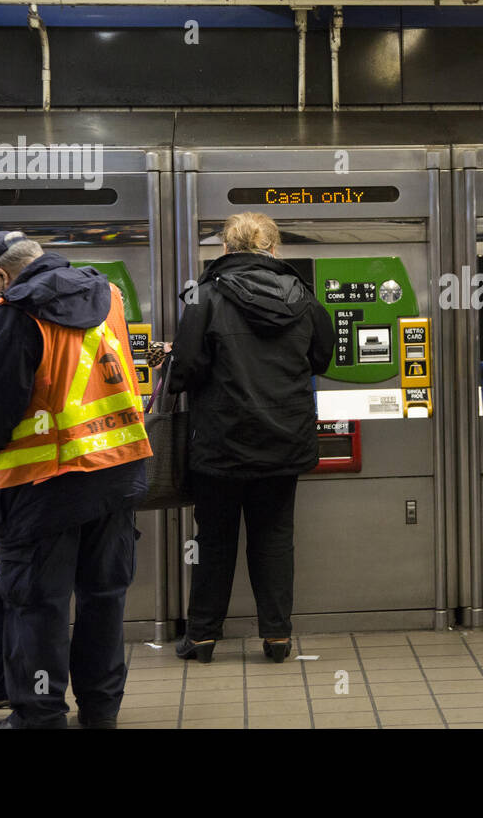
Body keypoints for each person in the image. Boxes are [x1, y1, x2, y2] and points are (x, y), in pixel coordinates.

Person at [0, 230, 149, 728]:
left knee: (38, 607)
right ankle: (102, 711)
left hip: (42, 488)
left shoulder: (13, 315)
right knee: (104, 599)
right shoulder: (110, 297)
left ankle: (40, 717)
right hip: (114, 475)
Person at [167, 213, 333, 664]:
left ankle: (201, 637)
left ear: (226, 249)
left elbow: (183, 372)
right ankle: (276, 637)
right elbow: (321, 359)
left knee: (214, 539)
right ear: (274, 250)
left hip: (221, 442)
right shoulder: (304, 298)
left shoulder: (204, 297)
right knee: (275, 538)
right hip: (284, 441)